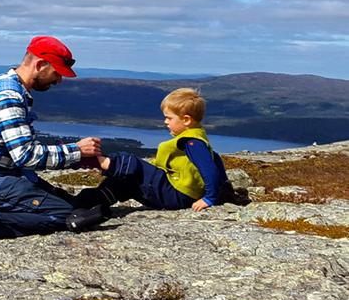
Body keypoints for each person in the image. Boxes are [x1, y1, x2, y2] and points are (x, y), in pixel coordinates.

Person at [0, 35, 106, 244]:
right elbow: (25, 155)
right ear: (40, 65)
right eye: (57, 73)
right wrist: (77, 150)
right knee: (68, 215)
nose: (59, 80)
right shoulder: (10, 97)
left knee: (76, 207)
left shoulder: (3, 85)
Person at [74, 88, 247, 213]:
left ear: (186, 120)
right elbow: (216, 161)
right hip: (174, 192)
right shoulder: (196, 140)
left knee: (133, 164)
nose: (165, 122)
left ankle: (95, 160)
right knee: (122, 182)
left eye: (169, 118)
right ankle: (83, 204)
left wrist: (210, 197)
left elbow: (210, 170)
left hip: (177, 195)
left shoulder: (193, 143)